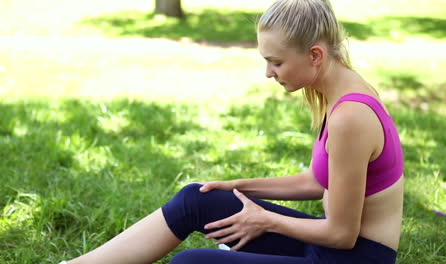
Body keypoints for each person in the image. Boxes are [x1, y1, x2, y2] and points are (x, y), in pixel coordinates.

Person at [60, 0, 404, 263]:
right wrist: (236, 187)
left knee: (188, 263)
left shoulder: (350, 116)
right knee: (198, 197)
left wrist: (266, 220)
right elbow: (319, 181)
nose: (269, 73)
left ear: (314, 55)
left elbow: (342, 234)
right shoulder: (341, 92)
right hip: (331, 249)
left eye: (277, 62)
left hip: (351, 257)